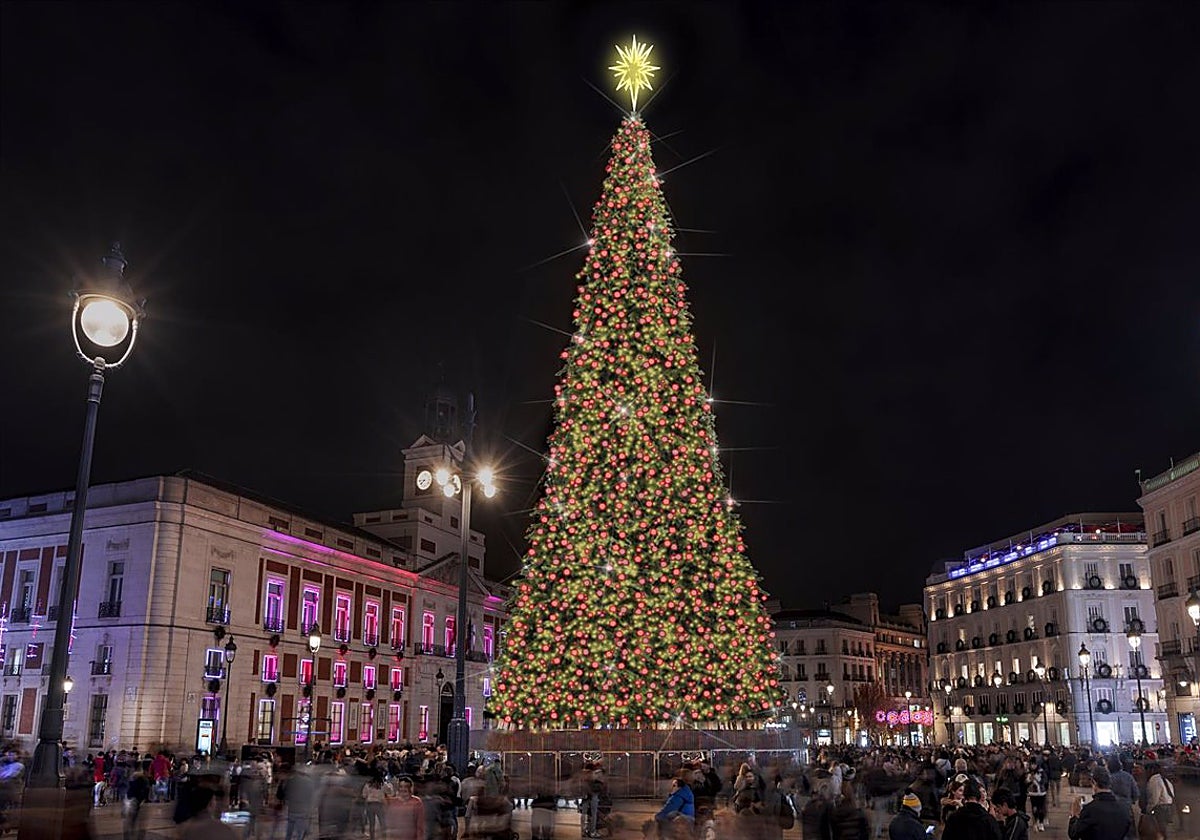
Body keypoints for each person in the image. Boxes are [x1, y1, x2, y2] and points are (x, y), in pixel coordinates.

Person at [1067, 766, 1130, 840]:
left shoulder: (1090, 810)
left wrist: (1074, 815)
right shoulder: (1123, 808)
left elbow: (1074, 834)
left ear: (1094, 782)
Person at [1143, 764, 1176, 836]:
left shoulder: (1154, 780)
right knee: (1164, 831)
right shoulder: (1164, 779)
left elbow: (1154, 797)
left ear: (1150, 770)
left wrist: (1148, 810)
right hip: (1168, 806)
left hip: (1160, 808)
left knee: (1159, 831)